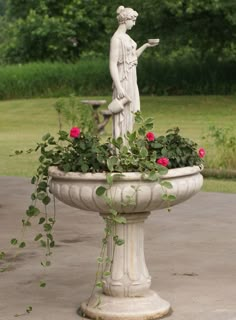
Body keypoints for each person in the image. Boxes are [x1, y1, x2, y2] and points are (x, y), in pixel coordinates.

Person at [109, 5, 159, 139]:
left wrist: (146, 46)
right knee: (121, 114)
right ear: (126, 20)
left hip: (131, 78)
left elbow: (132, 57)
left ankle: (127, 146)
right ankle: (119, 149)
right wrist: (118, 86)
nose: (134, 23)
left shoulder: (126, 37)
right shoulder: (116, 39)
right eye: (133, 20)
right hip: (123, 79)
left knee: (130, 113)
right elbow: (113, 64)